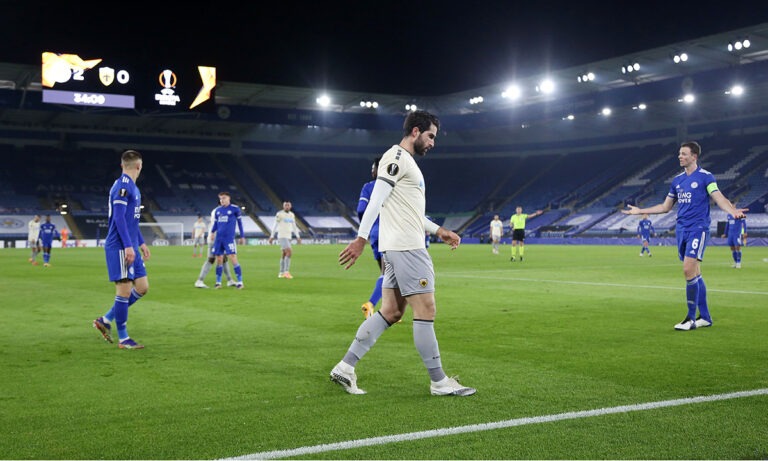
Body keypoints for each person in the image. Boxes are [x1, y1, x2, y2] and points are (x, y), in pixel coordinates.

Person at [332, 110, 475, 397]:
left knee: (391, 312)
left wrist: (439, 231)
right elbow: (376, 200)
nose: (432, 143)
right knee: (426, 310)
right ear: (415, 131)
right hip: (408, 248)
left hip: (395, 248)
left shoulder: (406, 163)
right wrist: (361, 239)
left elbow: (411, 212)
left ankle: (345, 367)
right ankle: (439, 382)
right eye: (430, 136)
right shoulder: (397, 157)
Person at [622, 141, 747, 331]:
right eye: (679, 153)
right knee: (695, 273)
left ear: (694, 156)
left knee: (688, 270)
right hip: (681, 229)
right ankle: (705, 317)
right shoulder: (677, 181)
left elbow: (718, 197)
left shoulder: (706, 177)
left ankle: (690, 318)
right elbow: (665, 207)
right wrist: (640, 211)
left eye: (684, 154)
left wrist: (732, 211)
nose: (680, 156)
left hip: (698, 228)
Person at [92, 150, 151, 349]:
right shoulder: (122, 186)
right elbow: (118, 218)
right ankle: (124, 339)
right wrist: (127, 246)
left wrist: (141, 243)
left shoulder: (133, 188)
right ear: (139, 166)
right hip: (119, 246)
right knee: (124, 291)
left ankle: (106, 319)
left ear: (122, 165)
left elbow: (131, 220)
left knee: (142, 287)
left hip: (131, 244)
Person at [357, 157, 383, 319]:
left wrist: (367, 228)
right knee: (390, 274)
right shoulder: (394, 186)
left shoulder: (368, 187)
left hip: (374, 233)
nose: (372, 171)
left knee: (386, 274)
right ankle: (371, 304)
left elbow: (361, 210)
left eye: (373, 168)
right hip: (391, 233)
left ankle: (390, 309)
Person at [195, 203, 236, 288]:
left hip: (217, 238)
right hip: (216, 238)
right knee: (211, 259)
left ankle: (230, 280)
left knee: (224, 259)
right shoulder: (219, 211)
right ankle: (199, 280)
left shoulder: (216, 211)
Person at [210, 191, 245, 289]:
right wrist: (212, 232)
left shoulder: (235, 209)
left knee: (233, 257)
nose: (222, 200)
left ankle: (240, 282)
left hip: (229, 239)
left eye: (224, 198)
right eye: (220, 198)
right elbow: (216, 224)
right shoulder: (218, 211)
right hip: (219, 239)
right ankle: (218, 282)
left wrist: (242, 236)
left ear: (229, 198)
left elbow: (240, 223)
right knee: (219, 259)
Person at [268, 201, 301, 279]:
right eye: (286, 205)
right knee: (289, 252)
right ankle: (286, 272)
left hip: (289, 236)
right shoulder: (280, 214)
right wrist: (272, 236)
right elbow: (275, 225)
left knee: (284, 254)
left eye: (288, 205)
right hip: (282, 236)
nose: (287, 206)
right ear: (283, 206)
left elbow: (294, 226)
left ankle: (281, 273)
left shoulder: (292, 215)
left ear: (290, 206)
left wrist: (298, 236)